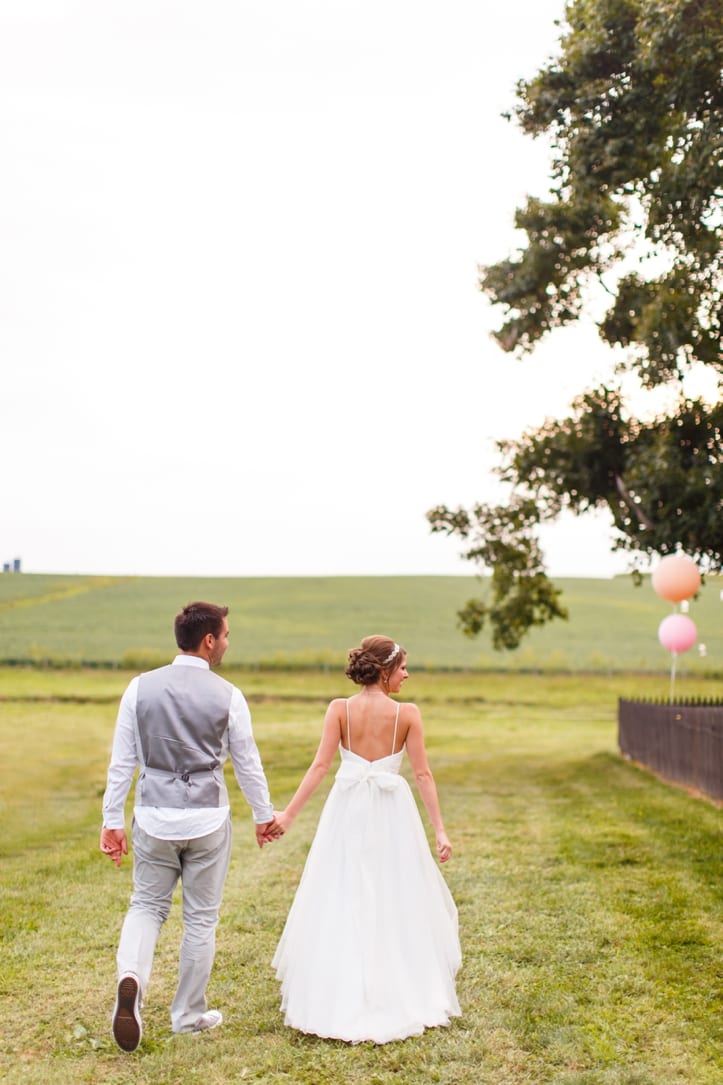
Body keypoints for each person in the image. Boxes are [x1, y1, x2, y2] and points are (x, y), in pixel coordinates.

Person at [100, 601, 281, 1052]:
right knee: (200, 919)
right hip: (207, 820)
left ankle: (132, 980)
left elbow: (122, 762)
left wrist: (111, 820)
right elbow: (248, 762)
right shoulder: (228, 694)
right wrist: (263, 815)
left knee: (146, 906)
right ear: (208, 640)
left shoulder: (138, 689)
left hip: (153, 817)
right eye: (226, 636)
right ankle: (187, 1015)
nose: (226, 644)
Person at [271, 635, 461, 1044]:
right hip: (393, 814)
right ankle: (394, 985)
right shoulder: (407, 714)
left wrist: (289, 813)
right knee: (394, 890)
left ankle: (343, 985)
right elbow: (423, 775)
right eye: (404, 667)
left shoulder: (339, 709)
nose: (408, 675)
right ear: (386, 669)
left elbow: (321, 765)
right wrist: (439, 829)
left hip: (347, 810)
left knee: (346, 888)